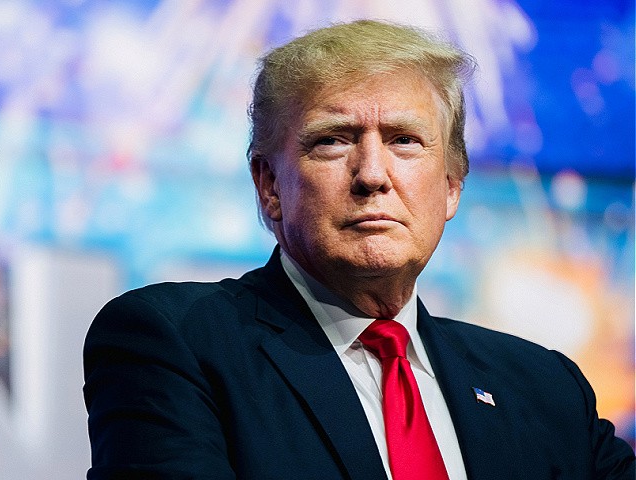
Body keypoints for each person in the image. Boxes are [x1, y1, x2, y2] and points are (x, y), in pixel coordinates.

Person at [83, 20, 634, 480]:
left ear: (451, 186)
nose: (373, 175)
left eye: (404, 140)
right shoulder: (175, 344)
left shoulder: (546, 389)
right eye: (333, 140)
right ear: (270, 185)